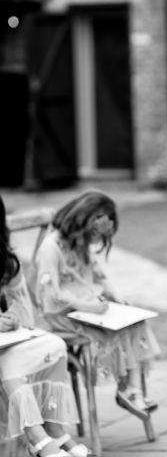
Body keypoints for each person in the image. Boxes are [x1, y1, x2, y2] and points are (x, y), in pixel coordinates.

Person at [33, 191, 161, 420]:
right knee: (116, 329)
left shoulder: (79, 245)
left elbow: (99, 276)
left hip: (90, 309)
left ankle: (132, 389)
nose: (93, 241)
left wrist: (116, 296)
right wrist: (87, 306)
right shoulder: (50, 248)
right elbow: (51, 295)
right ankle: (128, 389)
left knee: (135, 322)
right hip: (64, 314)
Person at [0, 195, 84, 457]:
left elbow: (23, 305)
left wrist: (12, 315)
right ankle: (37, 439)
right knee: (8, 364)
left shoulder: (4, 260)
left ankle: (55, 431)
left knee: (55, 345)